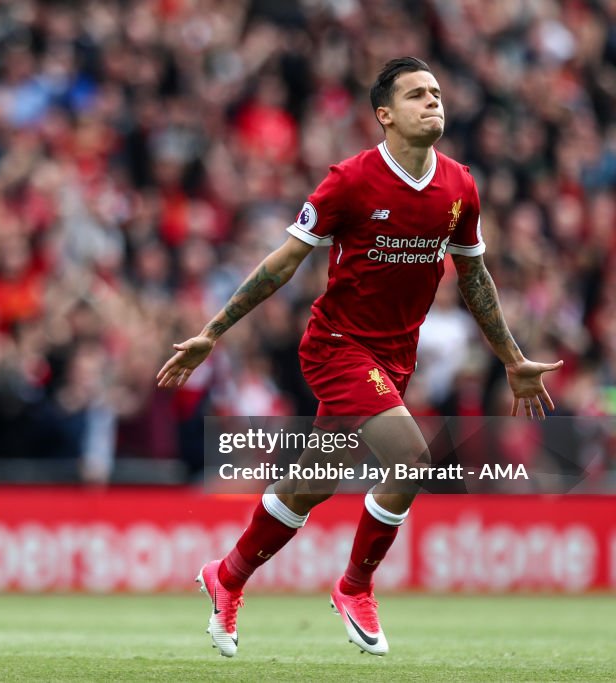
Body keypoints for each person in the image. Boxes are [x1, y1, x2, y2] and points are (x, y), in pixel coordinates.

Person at [156, 57, 562, 658]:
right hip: (337, 346)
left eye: (437, 93)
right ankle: (355, 587)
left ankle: (227, 575)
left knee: (310, 484)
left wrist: (511, 358)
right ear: (385, 115)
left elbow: (476, 278)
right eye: (417, 95)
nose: (433, 103)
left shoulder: (459, 186)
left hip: (397, 356)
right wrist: (214, 331)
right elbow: (283, 262)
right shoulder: (349, 181)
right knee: (412, 457)